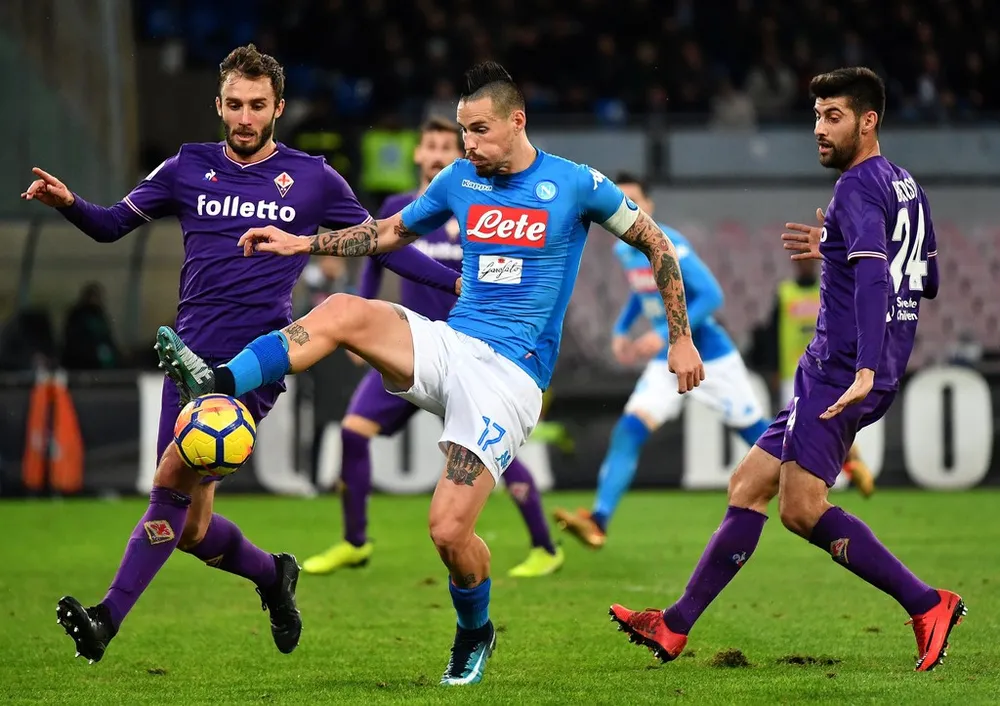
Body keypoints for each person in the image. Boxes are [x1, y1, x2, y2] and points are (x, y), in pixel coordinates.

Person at [155, 61, 705, 686]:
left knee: (447, 531)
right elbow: (387, 233)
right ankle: (220, 383)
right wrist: (299, 243)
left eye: (479, 129)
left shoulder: (575, 184)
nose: (469, 143)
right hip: (451, 342)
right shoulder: (459, 179)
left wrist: (680, 339)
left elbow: (657, 243)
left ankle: (476, 630)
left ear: (516, 121)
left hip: (511, 376)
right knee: (341, 311)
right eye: (463, 130)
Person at [21, 43, 461, 664]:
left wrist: (456, 281)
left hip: (256, 361)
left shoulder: (313, 177)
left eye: (258, 105)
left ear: (278, 107)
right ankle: (271, 576)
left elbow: (380, 243)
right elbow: (111, 225)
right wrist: (69, 204)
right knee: (190, 529)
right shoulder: (186, 167)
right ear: (219, 105)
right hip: (186, 360)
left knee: (170, 478)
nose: (245, 117)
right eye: (234, 104)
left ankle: (106, 620)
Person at [610, 67, 964, 673]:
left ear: (868, 120)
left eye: (834, 117)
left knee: (801, 509)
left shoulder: (856, 187)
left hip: (841, 371)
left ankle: (928, 603)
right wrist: (836, 243)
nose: (820, 130)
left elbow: (878, 276)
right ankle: (674, 625)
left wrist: (865, 365)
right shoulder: (906, 185)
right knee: (747, 486)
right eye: (817, 117)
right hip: (848, 369)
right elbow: (925, 279)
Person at [302, 116, 565, 579]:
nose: (440, 153)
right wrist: (361, 328)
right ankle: (354, 541)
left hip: (473, 357)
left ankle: (545, 546)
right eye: (432, 145)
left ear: (459, 155)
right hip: (413, 348)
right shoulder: (403, 208)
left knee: (477, 458)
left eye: (449, 145)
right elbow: (374, 259)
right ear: (419, 155)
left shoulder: (477, 208)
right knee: (352, 431)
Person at [554, 173, 769, 548]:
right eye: (619, 202)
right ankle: (600, 519)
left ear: (649, 206)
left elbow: (711, 296)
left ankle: (838, 460)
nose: (626, 210)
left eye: (634, 201)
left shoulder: (671, 243)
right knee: (629, 429)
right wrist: (623, 328)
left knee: (758, 438)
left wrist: (664, 332)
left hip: (710, 358)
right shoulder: (625, 249)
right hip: (667, 361)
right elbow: (645, 291)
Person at [755, 257, 877, 496]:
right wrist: (774, 368)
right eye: (801, 264)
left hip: (825, 371)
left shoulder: (827, 291)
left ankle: (840, 470)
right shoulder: (785, 293)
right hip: (793, 372)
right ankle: (809, 475)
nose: (805, 267)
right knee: (794, 430)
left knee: (824, 423)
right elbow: (773, 333)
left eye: (809, 264)